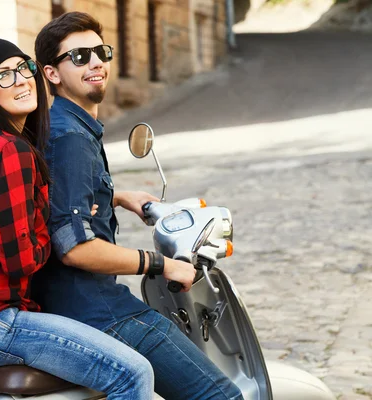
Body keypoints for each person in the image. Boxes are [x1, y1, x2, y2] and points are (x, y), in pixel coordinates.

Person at [0, 37, 155, 399]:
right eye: (4, 75)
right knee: (132, 373)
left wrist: (113, 197)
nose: (23, 80)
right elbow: (21, 260)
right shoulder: (11, 152)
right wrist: (53, 221)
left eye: (23, 67)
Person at [32, 12, 244, 400]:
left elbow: (58, 197)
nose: (96, 62)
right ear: (52, 74)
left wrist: (115, 195)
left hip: (72, 305)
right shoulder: (69, 138)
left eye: (101, 52)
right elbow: (75, 248)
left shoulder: (66, 125)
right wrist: (164, 263)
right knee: (221, 397)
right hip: (98, 311)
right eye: (79, 56)